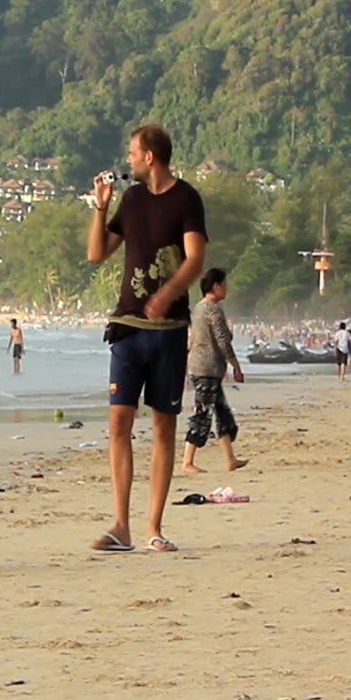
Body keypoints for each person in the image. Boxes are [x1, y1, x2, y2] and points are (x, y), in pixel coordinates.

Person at [86, 123, 207, 553]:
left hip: (169, 330)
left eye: (133, 152)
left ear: (150, 156)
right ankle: (122, 526)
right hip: (128, 327)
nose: (128, 159)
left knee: (162, 426)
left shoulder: (186, 199)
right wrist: (100, 209)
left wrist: (168, 294)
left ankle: (154, 526)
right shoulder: (131, 199)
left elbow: (196, 258)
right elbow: (97, 253)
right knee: (118, 420)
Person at [182, 268, 248, 474]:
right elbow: (222, 340)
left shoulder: (198, 309)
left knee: (222, 413)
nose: (227, 288)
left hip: (199, 367)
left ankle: (230, 459)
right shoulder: (212, 309)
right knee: (203, 413)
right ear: (216, 286)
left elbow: (192, 340)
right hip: (207, 368)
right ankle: (187, 462)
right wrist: (236, 365)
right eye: (224, 284)